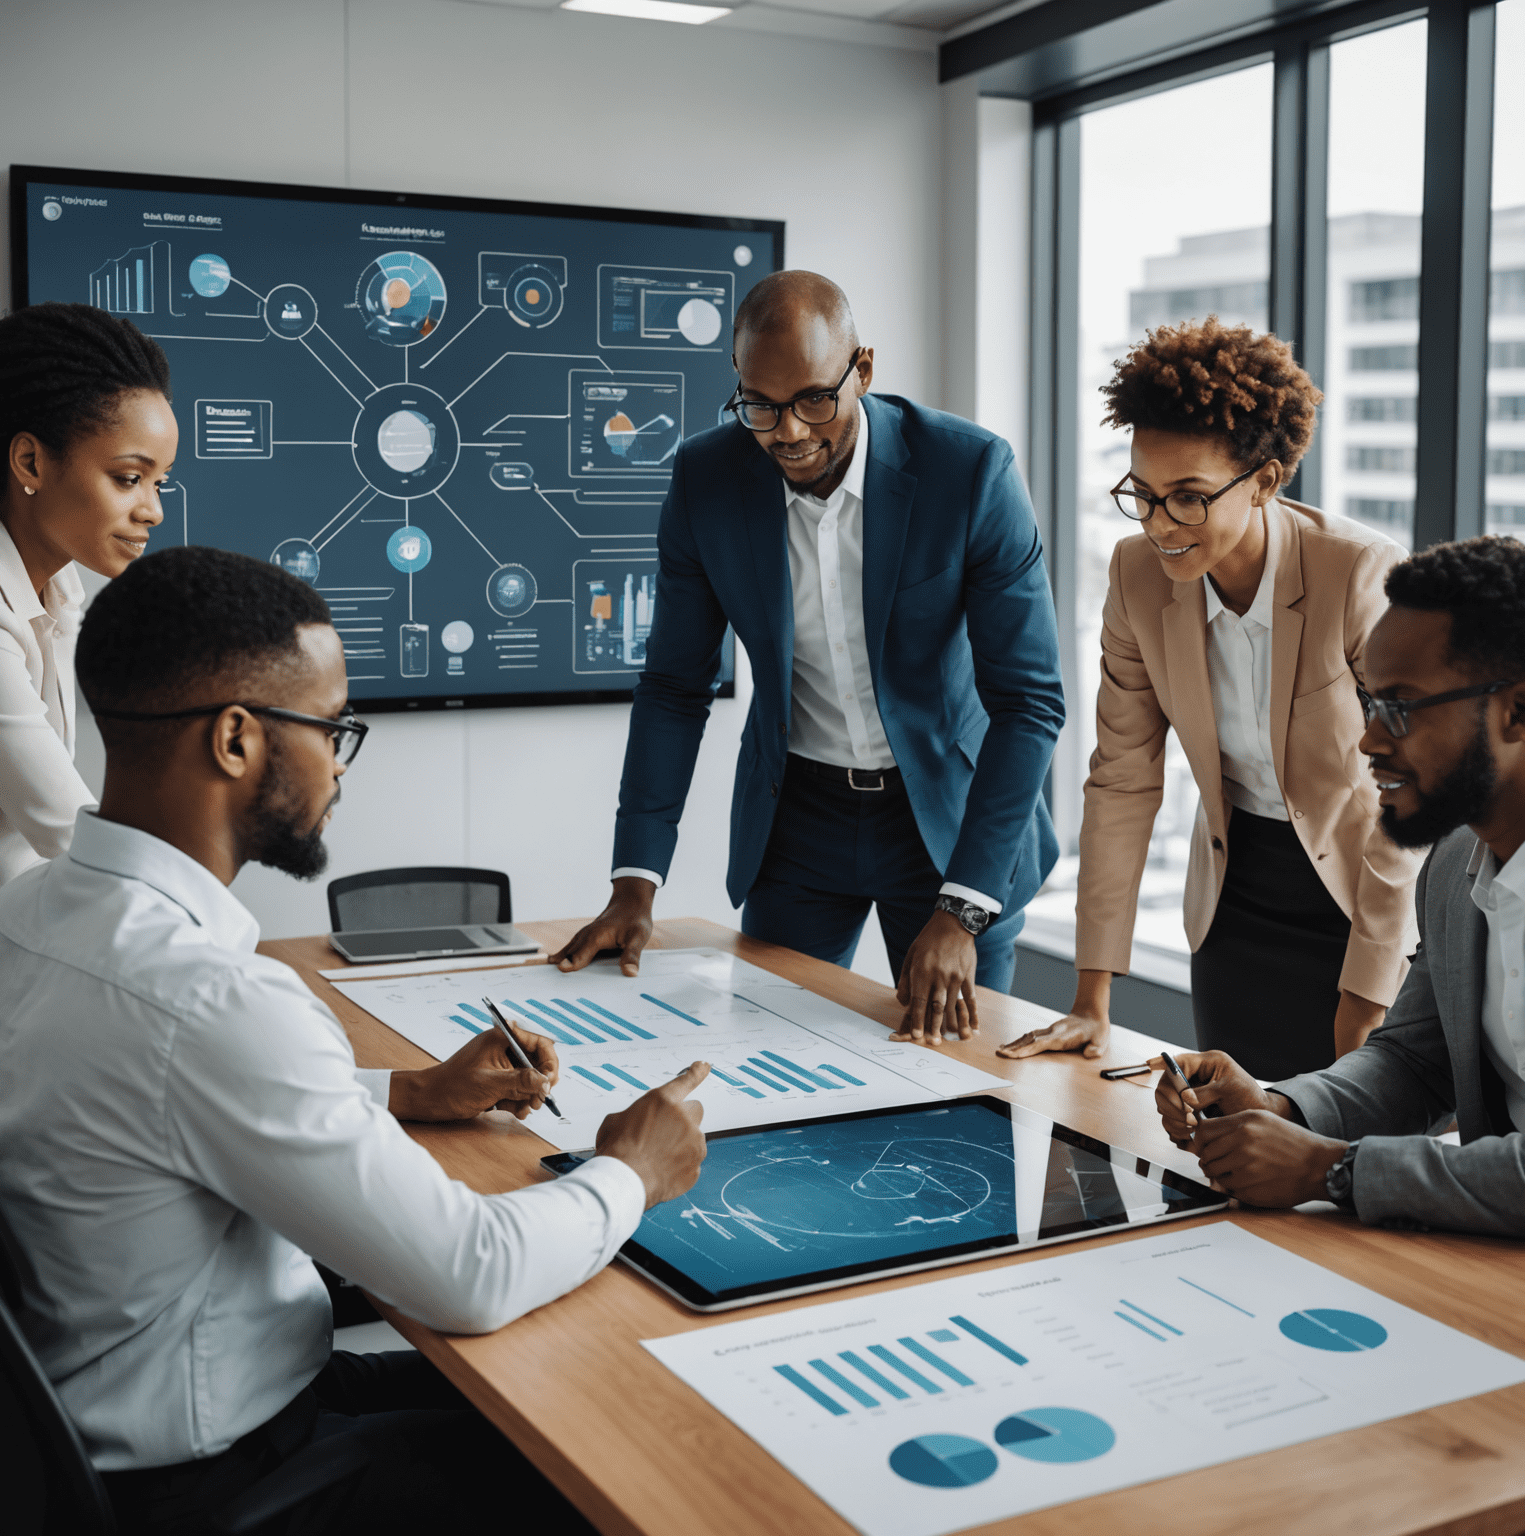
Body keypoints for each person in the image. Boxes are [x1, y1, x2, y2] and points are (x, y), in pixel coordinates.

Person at [0, 546, 710, 1534]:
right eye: (332, 729)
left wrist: (403, 1093)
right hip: (224, 1481)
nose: (339, 761)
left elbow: (149, 1103)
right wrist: (634, 1168)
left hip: (123, 1432)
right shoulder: (211, 1000)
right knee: (625, 1453)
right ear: (237, 741)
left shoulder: (25, 913)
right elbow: (473, 1271)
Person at [551, 270, 1064, 1044]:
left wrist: (962, 907)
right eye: (759, 405)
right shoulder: (706, 479)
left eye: (813, 401)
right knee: (768, 1060)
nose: (787, 432)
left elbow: (1029, 703)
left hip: (949, 827)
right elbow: (673, 686)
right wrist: (635, 880)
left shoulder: (971, 474)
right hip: (800, 822)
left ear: (862, 369)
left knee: (961, 1086)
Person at [1002, 318, 1422, 1081]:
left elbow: (1413, 787)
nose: (1161, 525)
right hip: (1237, 897)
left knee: (1355, 1155)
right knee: (1231, 1141)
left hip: (1367, 888)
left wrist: (1367, 990)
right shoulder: (1136, 578)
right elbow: (1123, 777)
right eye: (1145, 495)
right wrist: (1092, 994)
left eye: (1189, 498)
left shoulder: (1358, 576)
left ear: (1264, 481)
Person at [1153, 536, 1525, 1234]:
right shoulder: (1452, 866)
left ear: (1516, 711)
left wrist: (1332, 1168)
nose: (1369, 742)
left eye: (1401, 709)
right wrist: (1284, 1110)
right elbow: (1415, 1061)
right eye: (1369, 703)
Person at [0, 301, 176, 893]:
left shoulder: (59, 583)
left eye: (159, 482)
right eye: (129, 478)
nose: (153, 510)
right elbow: (69, 834)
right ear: (30, 460)